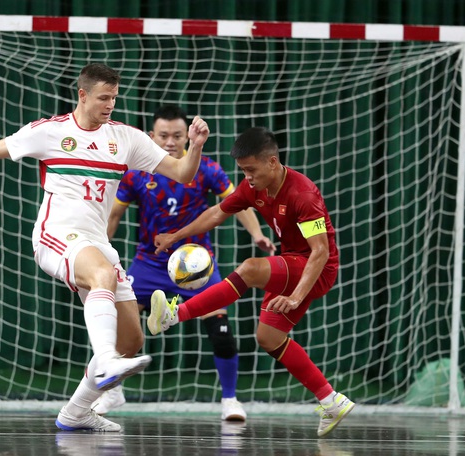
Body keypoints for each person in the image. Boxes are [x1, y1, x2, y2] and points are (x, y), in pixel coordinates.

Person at [0, 63, 210, 432]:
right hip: (57, 234)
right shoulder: (49, 131)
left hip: (97, 242)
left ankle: (76, 412)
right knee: (102, 290)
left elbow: (182, 173)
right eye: (103, 97)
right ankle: (104, 361)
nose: (110, 104)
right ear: (82, 95)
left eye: (115, 97)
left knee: (130, 341)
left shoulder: (127, 138)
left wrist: (195, 146)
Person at [147, 127, 355, 437]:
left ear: (272, 162)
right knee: (268, 338)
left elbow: (320, 252)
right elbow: (217, 212)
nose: (247, 177)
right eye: (243, 170)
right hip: (292, 264)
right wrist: (175, 236)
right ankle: (331, 399)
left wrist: (296, 297)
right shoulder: (252, 188)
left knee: (250, 268)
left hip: (317, 268)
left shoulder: (303, 194)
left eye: (251, 169)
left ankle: (175, 315)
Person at [91, 105, 275, 421]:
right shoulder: (137, 173)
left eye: (178, 135)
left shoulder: (206, 169)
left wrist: (257, 234)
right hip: (149, 263)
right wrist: (99, 250)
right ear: (151, 137)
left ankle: (230, 400)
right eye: (163, 135)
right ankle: (113, 391)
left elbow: (238, 204)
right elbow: (115, 214)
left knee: (220, 329)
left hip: (197, 265)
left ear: (187, 137)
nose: (170, 142)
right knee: (117, 322)